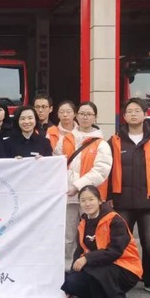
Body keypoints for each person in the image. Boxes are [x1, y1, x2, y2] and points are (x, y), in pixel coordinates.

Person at [108, 98, 150, 297]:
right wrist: (109, 196)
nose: (133, 114)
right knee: (120, 242)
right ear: (124, 116)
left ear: (145, 114)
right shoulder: (115, 140)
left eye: (137, 110)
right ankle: (121, 278)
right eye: (129, 111)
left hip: (149, 201)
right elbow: (108, 171)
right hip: (122, 201)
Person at [61, 186, 143, 298]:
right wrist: (72, 277)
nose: (87, 204)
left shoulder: (115, 220)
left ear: (100, 200)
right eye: (83, 200)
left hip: (125, 268)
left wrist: (87, 259)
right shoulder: (83, 221)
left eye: (91, 199)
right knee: (71, 282)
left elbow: (115, 251)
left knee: (95, 272)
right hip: (99, 265)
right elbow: (80, 250)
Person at [58, 101, 113, 264]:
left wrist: (77, 186)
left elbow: (101, 171)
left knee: (90, 235)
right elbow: (55, 162)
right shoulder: (65, 139)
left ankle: (90, 266)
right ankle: (67, 268)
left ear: (95, 117)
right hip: (67, 197)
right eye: (82, 113)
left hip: (90, 199)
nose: (85, 117)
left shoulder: (101, 144)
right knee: (67, 236)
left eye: (89, 114)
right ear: (76, 115)